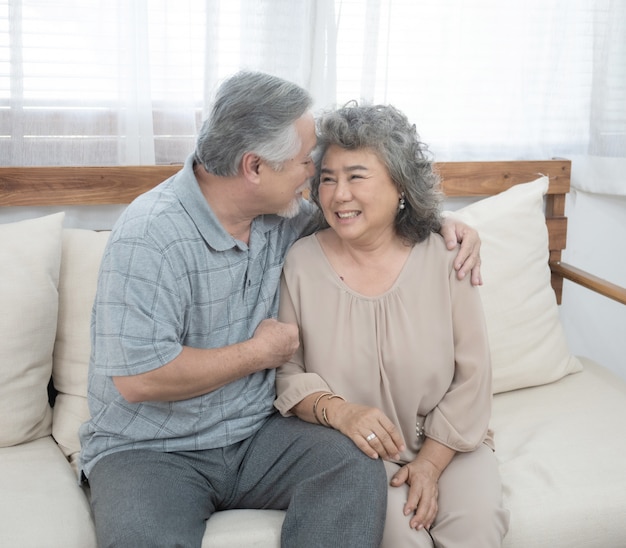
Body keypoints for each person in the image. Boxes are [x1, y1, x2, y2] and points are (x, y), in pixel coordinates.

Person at [78, 72, 482, 548]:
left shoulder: (283, 215)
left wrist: (442, 224)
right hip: (152, 451)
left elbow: (366, 218)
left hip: (258, 436)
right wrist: (256, 354)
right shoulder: (150, 235)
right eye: (304, 162)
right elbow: (139, 378)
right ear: (254, 167)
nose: (314, 174)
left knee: (353, 466)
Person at [274, 103, 510, 547]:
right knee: (404, 541)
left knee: (477, 531)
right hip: (356, 455)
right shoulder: (301, 262)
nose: (338, 194)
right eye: (327, 177)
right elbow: (288, 374)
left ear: (400, 184)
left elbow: (473, 376)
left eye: (356, 176)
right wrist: (341, 413)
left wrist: (430, 464)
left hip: (451, 446)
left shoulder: (446, 256)